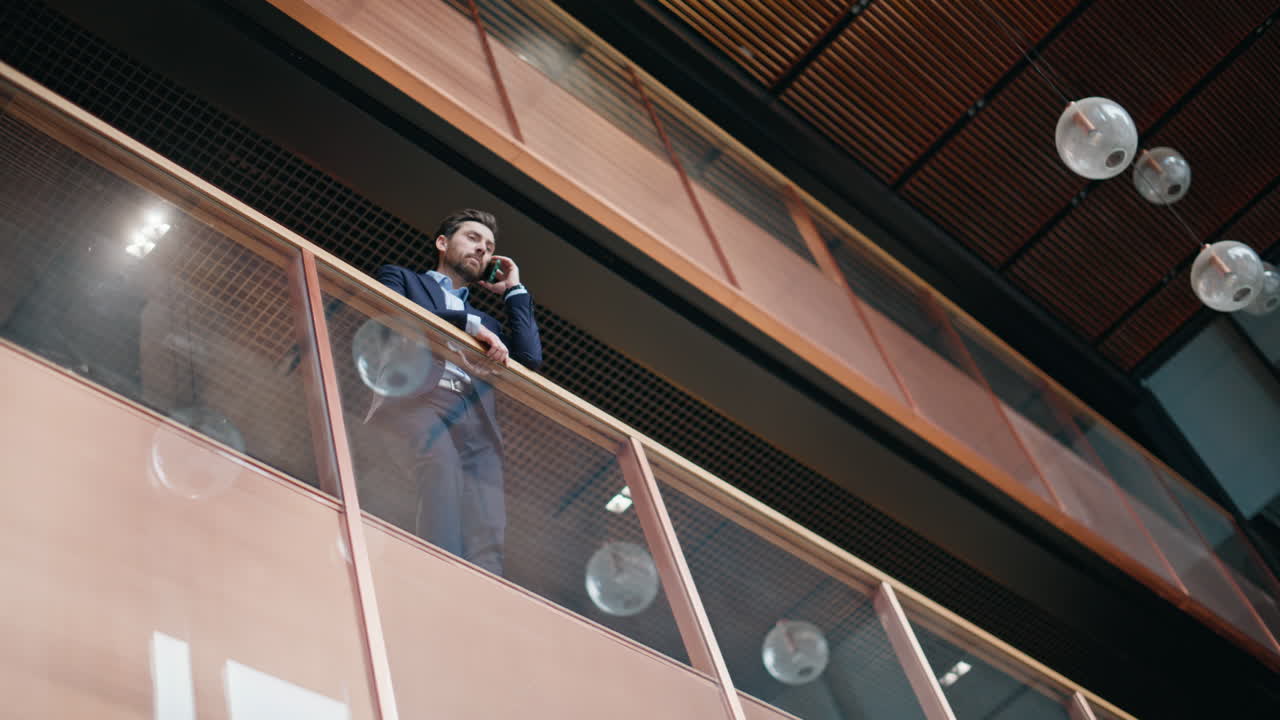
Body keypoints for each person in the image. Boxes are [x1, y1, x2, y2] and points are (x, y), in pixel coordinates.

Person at [372, 209, 541, 576]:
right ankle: (437, 575)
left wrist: (514, 288)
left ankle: (483, 596)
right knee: (441, 473)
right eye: (473, 238)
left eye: (490, 246)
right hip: (419, 400)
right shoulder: (400, 277)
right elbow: (396, 313)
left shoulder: (490, 323)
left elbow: (529, 357)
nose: (482, 249)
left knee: (489, 520)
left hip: (475, 416)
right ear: (443, 243)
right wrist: (469, 325)